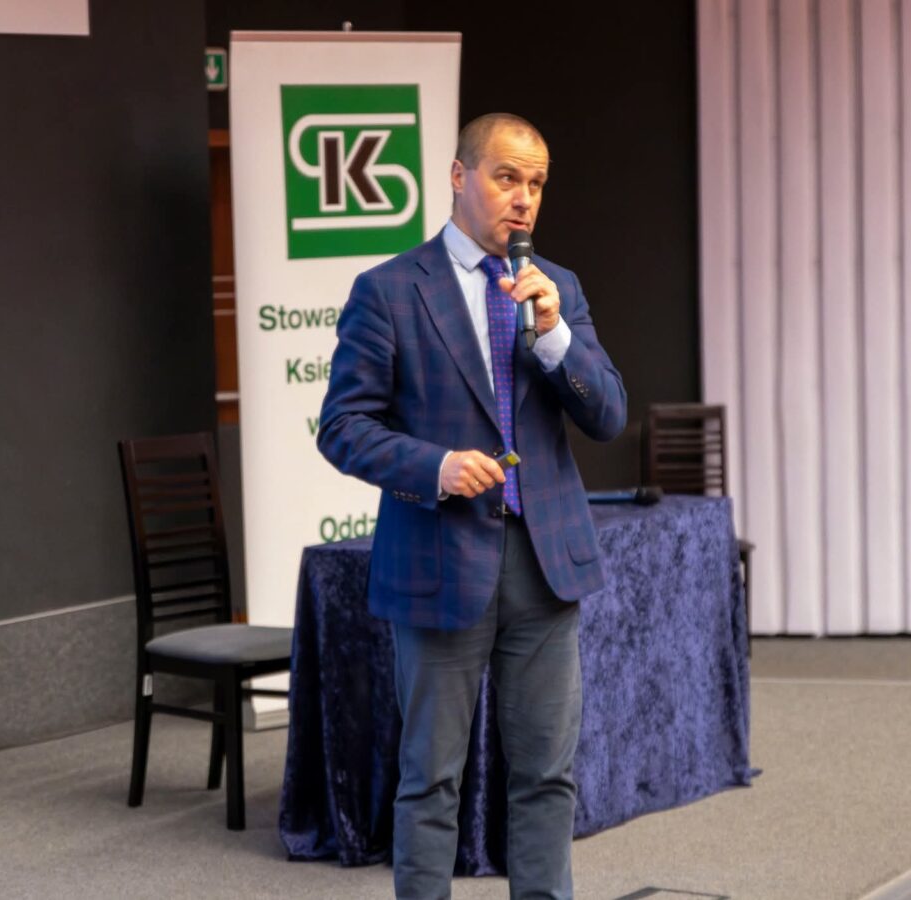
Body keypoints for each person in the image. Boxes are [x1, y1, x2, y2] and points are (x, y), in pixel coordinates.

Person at [317, 112, 627, 899]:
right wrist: (436, 466)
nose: (523, 198)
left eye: (536, 184)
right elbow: (343, 427)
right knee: (431, 779)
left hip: (544, 565)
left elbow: (608, 416)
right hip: (438, 560)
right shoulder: (389, 290)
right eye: (506, 177)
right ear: (459, 176)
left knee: (546, 775)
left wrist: (554, 337)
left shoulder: (557, 289)